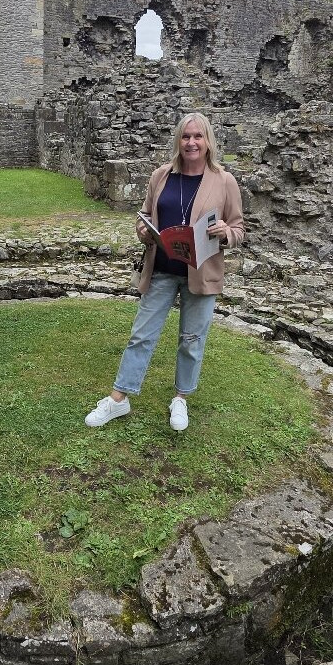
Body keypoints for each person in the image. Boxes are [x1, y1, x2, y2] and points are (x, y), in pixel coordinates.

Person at [86, 112, 245, 431]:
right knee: (141, 335)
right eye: (186, 136)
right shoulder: (161, 175)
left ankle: (180, 399)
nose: (191, 142)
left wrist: (226, 232)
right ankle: (119, 398)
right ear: (178, 140)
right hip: (161, 269)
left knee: (192, 340)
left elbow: (239, 229)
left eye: (198, 136)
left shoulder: (224, 180)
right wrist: (143, 230)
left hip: (200, 273)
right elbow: (145, 215)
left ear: (208, 141)